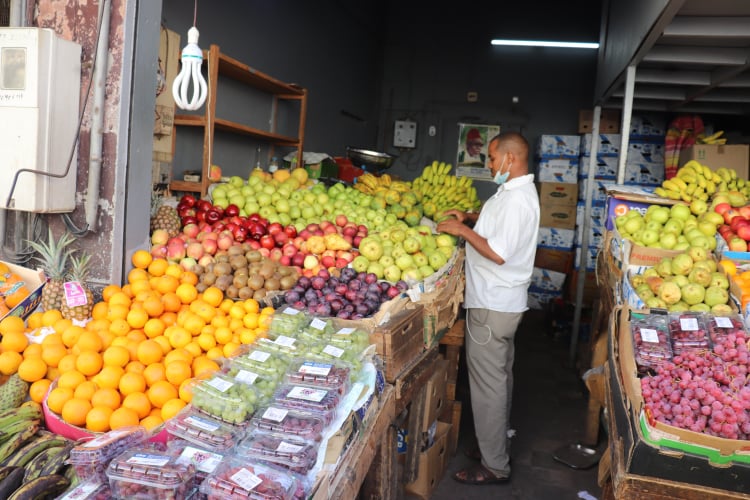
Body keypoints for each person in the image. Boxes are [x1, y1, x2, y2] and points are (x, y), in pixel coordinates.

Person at [436, 131, 540, 485]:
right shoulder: (513, 192)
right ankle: (494, 444)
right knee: (500, 378)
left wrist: (462, 232)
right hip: (501, 303)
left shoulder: (518, 201)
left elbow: (498, 252)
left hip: (493, 305)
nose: (490, 164)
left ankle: (495, 465)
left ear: (510, 159)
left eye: (493, 159)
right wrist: (470, 216)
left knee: (488, 385)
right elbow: (499, 227)